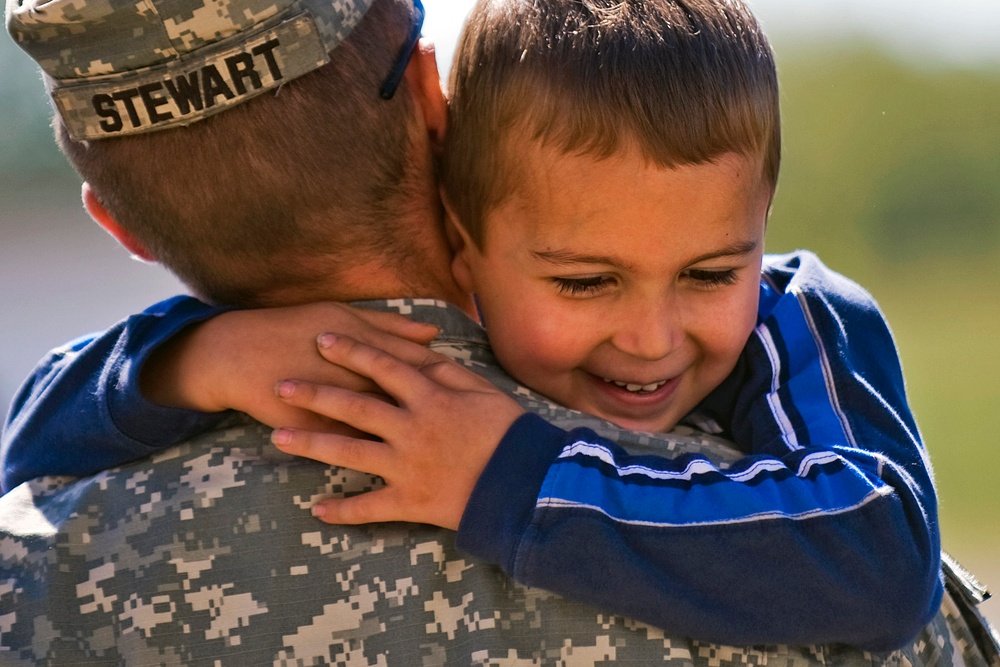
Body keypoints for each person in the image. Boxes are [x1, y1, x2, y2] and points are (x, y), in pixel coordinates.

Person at [2, 0, 998, 662]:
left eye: (710, 271)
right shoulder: (222, 367)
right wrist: (188, 357)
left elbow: (879, 554)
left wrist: (513, 476)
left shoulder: (797, 321)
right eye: (584, 281)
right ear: (461, 228)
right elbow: (33, 425)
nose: (649, 338)